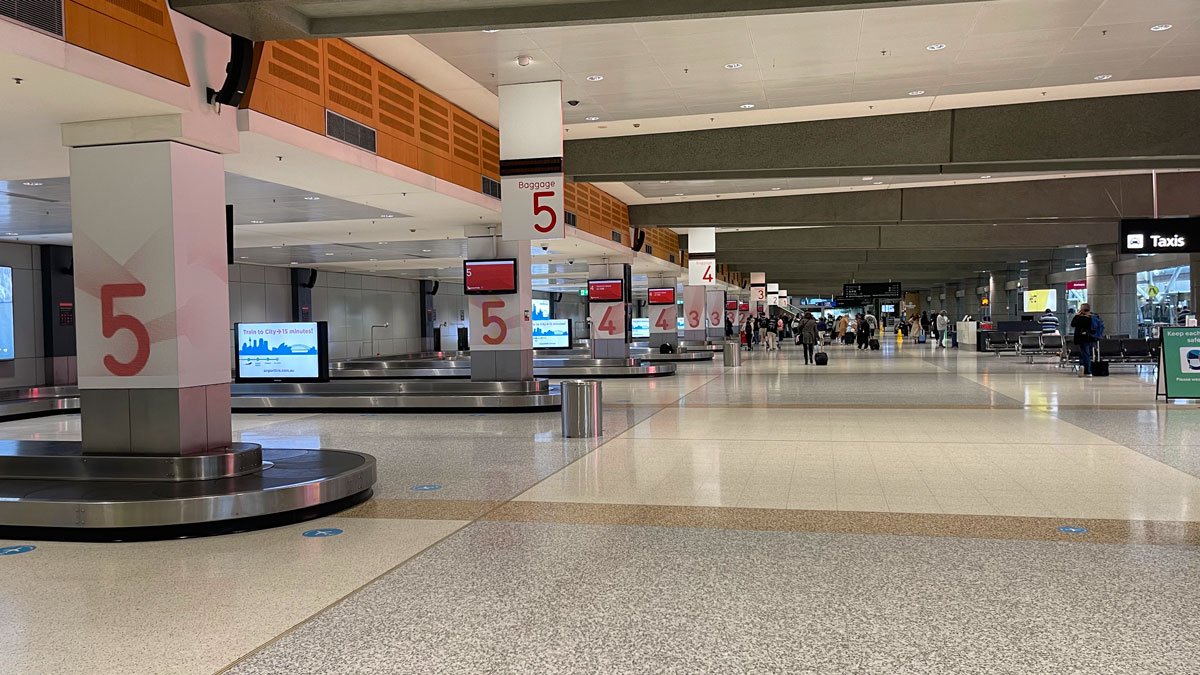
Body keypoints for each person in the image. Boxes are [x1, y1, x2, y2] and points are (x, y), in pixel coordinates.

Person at [1071, 303, 1097, 377]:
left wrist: (1076, 315)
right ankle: (1083, 367)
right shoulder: (1093, 317)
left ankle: (1087, 371)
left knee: (1085, 354)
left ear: (1082, 309)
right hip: (1091, 338)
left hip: (1083, 339)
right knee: (1085, 354)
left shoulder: (1081, 318)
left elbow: (1073, 324)